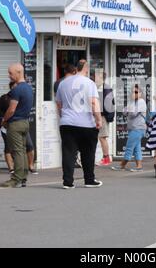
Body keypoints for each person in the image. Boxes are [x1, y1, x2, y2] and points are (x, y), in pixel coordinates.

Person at [56, 59, 103, 189]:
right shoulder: (90, 83)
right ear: (86, 68)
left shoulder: (62, 84)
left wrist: (63, 116)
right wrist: (98, 119)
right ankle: (89, 179)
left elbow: (59, 104)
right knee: (88, 153)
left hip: (67, 123)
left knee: (68, 153)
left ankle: (68, 182)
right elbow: (94, 103)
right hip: (86, 124)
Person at [1, 64, 33, 188]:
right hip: (25, 122)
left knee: (17, 151)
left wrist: (4, 119)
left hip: (15, 123)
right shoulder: (28, 88)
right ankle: (23, 176)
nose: (9, 75)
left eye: (11, 73)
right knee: (23, 150)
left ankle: (16, 179)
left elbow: (11, 109)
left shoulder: (17, 89)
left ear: (19, 72)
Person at [0, 82, 36, 175]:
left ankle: (31, 166)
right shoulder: (4, 98)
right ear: (11, 88)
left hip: (21, 124)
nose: (17, 89)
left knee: (29, 145)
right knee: (8, 148)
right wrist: (3, 121)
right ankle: (11, 168)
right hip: (7, 126)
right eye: (15, 87)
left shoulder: (22, 97)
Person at [112, 85, 147, 172]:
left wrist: (128, 110)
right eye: (132, 92)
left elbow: (133, 114)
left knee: (129, 147)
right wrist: (128, 110)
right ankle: (139, 166)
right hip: (133, 128)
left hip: (138, 128)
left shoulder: (141, 101)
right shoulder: (131, 102)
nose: (133, 94)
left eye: (136, 92)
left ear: (141, 93)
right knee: (136, 148)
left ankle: (122, 165)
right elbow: (124, 112)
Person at [97, 73, 115, 166]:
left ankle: (106, 158)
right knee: (102, 137)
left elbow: (106, 104)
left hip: (103, 116)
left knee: (102, 137)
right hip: (103, 115)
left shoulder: (104, 88)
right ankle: (106, 158)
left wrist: (100, 113)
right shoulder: (104, 87)